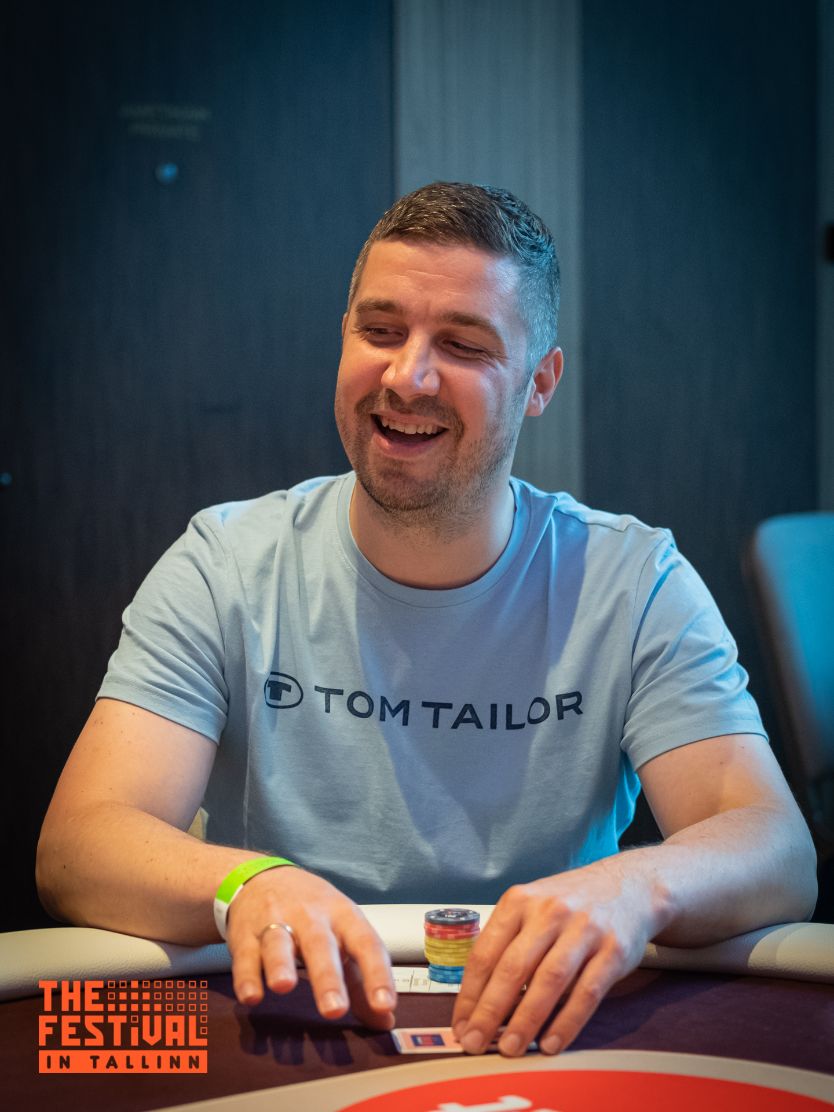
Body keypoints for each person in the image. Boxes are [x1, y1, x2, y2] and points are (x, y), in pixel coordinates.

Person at [37, 182, 817, 1059]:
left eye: (463, 345)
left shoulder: (634, 583)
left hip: (547, 1034)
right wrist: (247, 884)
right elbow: (79, 844)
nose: (407, 377)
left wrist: (635, 889)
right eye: (380, 331)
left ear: (540, 382)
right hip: (290, 1031)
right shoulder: (223, 563)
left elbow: (776, 849)